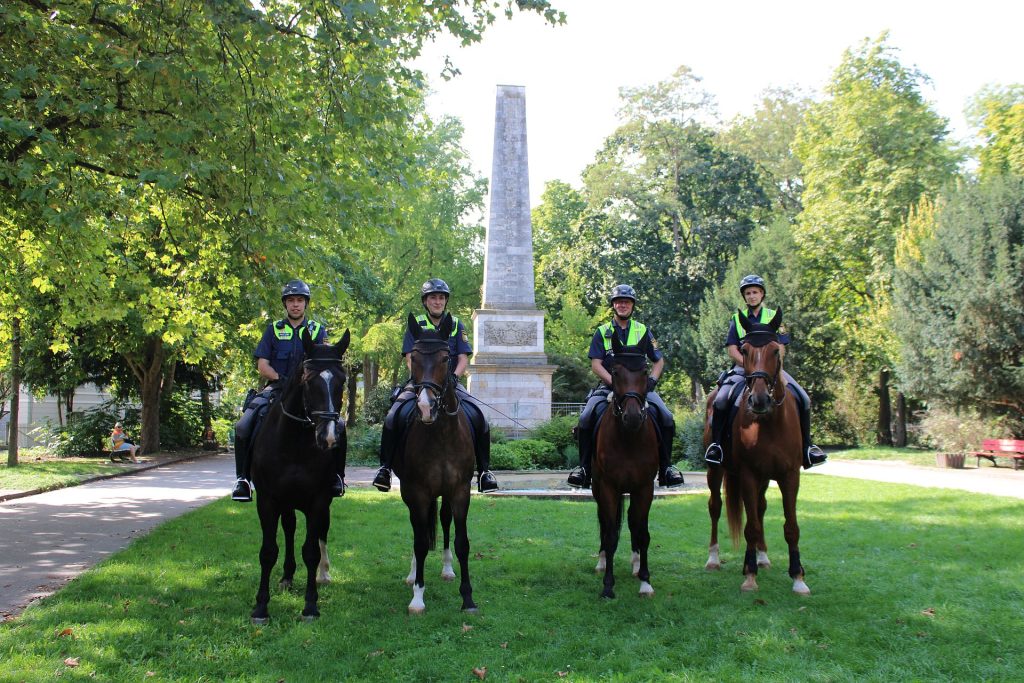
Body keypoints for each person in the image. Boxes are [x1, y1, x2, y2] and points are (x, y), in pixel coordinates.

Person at [372, 278, 499, 494]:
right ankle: (385, 469)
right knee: (393, 416)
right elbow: (410, 357)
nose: (437, 301)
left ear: (446, 301)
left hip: (449, 383)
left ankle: (485, 472)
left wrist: (455, 378)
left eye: (441, 298)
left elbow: (462, 358)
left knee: (479, 416)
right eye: (433, 297)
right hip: (420, 383)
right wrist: (420, 380)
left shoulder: (456, 324)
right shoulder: (417, 323)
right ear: (425, 301)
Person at [231, 279, 346, 502]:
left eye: (300, 300)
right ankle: (242, 480)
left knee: (339, 425)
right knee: (244, 424)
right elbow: (262, 365)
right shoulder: (274, 329)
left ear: (306, 304)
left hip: (310, 392)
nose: (295, 305)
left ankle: (336, 477)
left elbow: (325, 363)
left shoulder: (317, 330)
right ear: (285, 304)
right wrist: (280, 378)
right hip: (276, 388)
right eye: (291, 301)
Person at [567, 284, 686, 490]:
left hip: (640, 389)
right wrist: (616, 384)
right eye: (619, 301)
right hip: (608, 387)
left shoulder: (643, 331)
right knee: (586, 418)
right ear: (613, 305)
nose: (622, 305)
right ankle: (584, 469)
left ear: (632, 306)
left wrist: (652, 382)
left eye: (627, 302)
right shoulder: (602, 331)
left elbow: (658, 361)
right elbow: (596, 364)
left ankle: (667, 468)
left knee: (666, 417)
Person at [704, 274, 828, 469]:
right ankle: (717, 446)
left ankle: (808, 447)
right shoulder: (737, 319)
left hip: (771, 370)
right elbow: (732, 349)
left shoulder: (774, 316)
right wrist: (749, 365)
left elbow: (781, 346)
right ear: (744, 297)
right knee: (720, 400)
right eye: (748, 293)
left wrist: (770, 367)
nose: (752, 296)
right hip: (742, 369)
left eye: (755, 292)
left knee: (803, 398)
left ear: (762, 294)